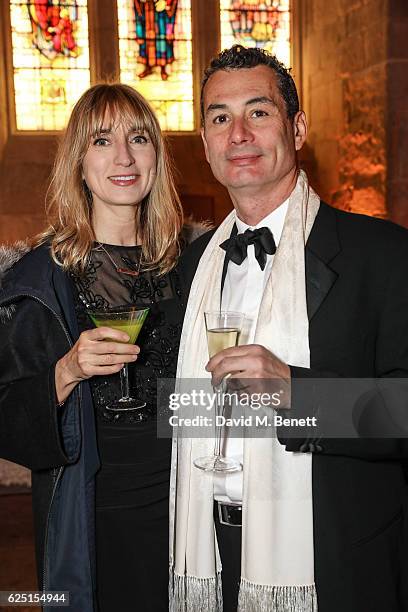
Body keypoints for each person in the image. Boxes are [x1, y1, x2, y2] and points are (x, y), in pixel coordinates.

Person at [170, 45, 408, 612]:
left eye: (259, 111)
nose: (239, 134)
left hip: (333, 562)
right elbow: (176, 409)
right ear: (204, 144)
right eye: (219, 118)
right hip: (211, 555)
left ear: (297, 129)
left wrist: (297, 393)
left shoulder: (383, 254)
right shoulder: (190, 267)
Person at [0, 83, 188, 611]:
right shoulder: (39, 281)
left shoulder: (193, 267)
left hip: (186, 512)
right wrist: (64, 372)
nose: (124, 157)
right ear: (78, 164)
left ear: (157, 157)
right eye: (102, 141)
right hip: (92, 518)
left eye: (139, 138)